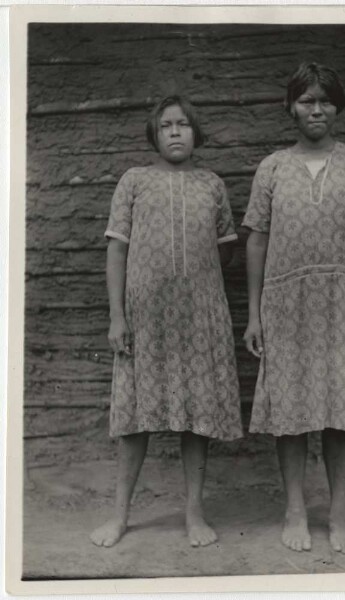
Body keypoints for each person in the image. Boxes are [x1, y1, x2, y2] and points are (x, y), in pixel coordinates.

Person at [243, 63, 345, 554]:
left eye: (325, 100)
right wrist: (254, 314)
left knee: (340, 408)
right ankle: (294, 508)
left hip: (341, 302)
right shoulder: (272, 167)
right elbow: (257, 240)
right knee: (291, 410)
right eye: (307, 100)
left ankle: (340, 511)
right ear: (291, 107)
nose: (316, 109)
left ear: (338, 107)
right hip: (285, 303)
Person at [90, 95, 242, 549]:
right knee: (135, 419)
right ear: (154, 135)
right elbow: (117, 250)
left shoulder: (212, 184)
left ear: (197, 133)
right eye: (166, 126)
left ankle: (194, 514)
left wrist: (191, 277)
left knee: (196, 418)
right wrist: (118, 316)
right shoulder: (134, 182)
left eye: (184, 125)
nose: (175, 132)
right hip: (145, 319)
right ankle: (119, 516)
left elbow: (225, 248)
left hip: (199, 318)